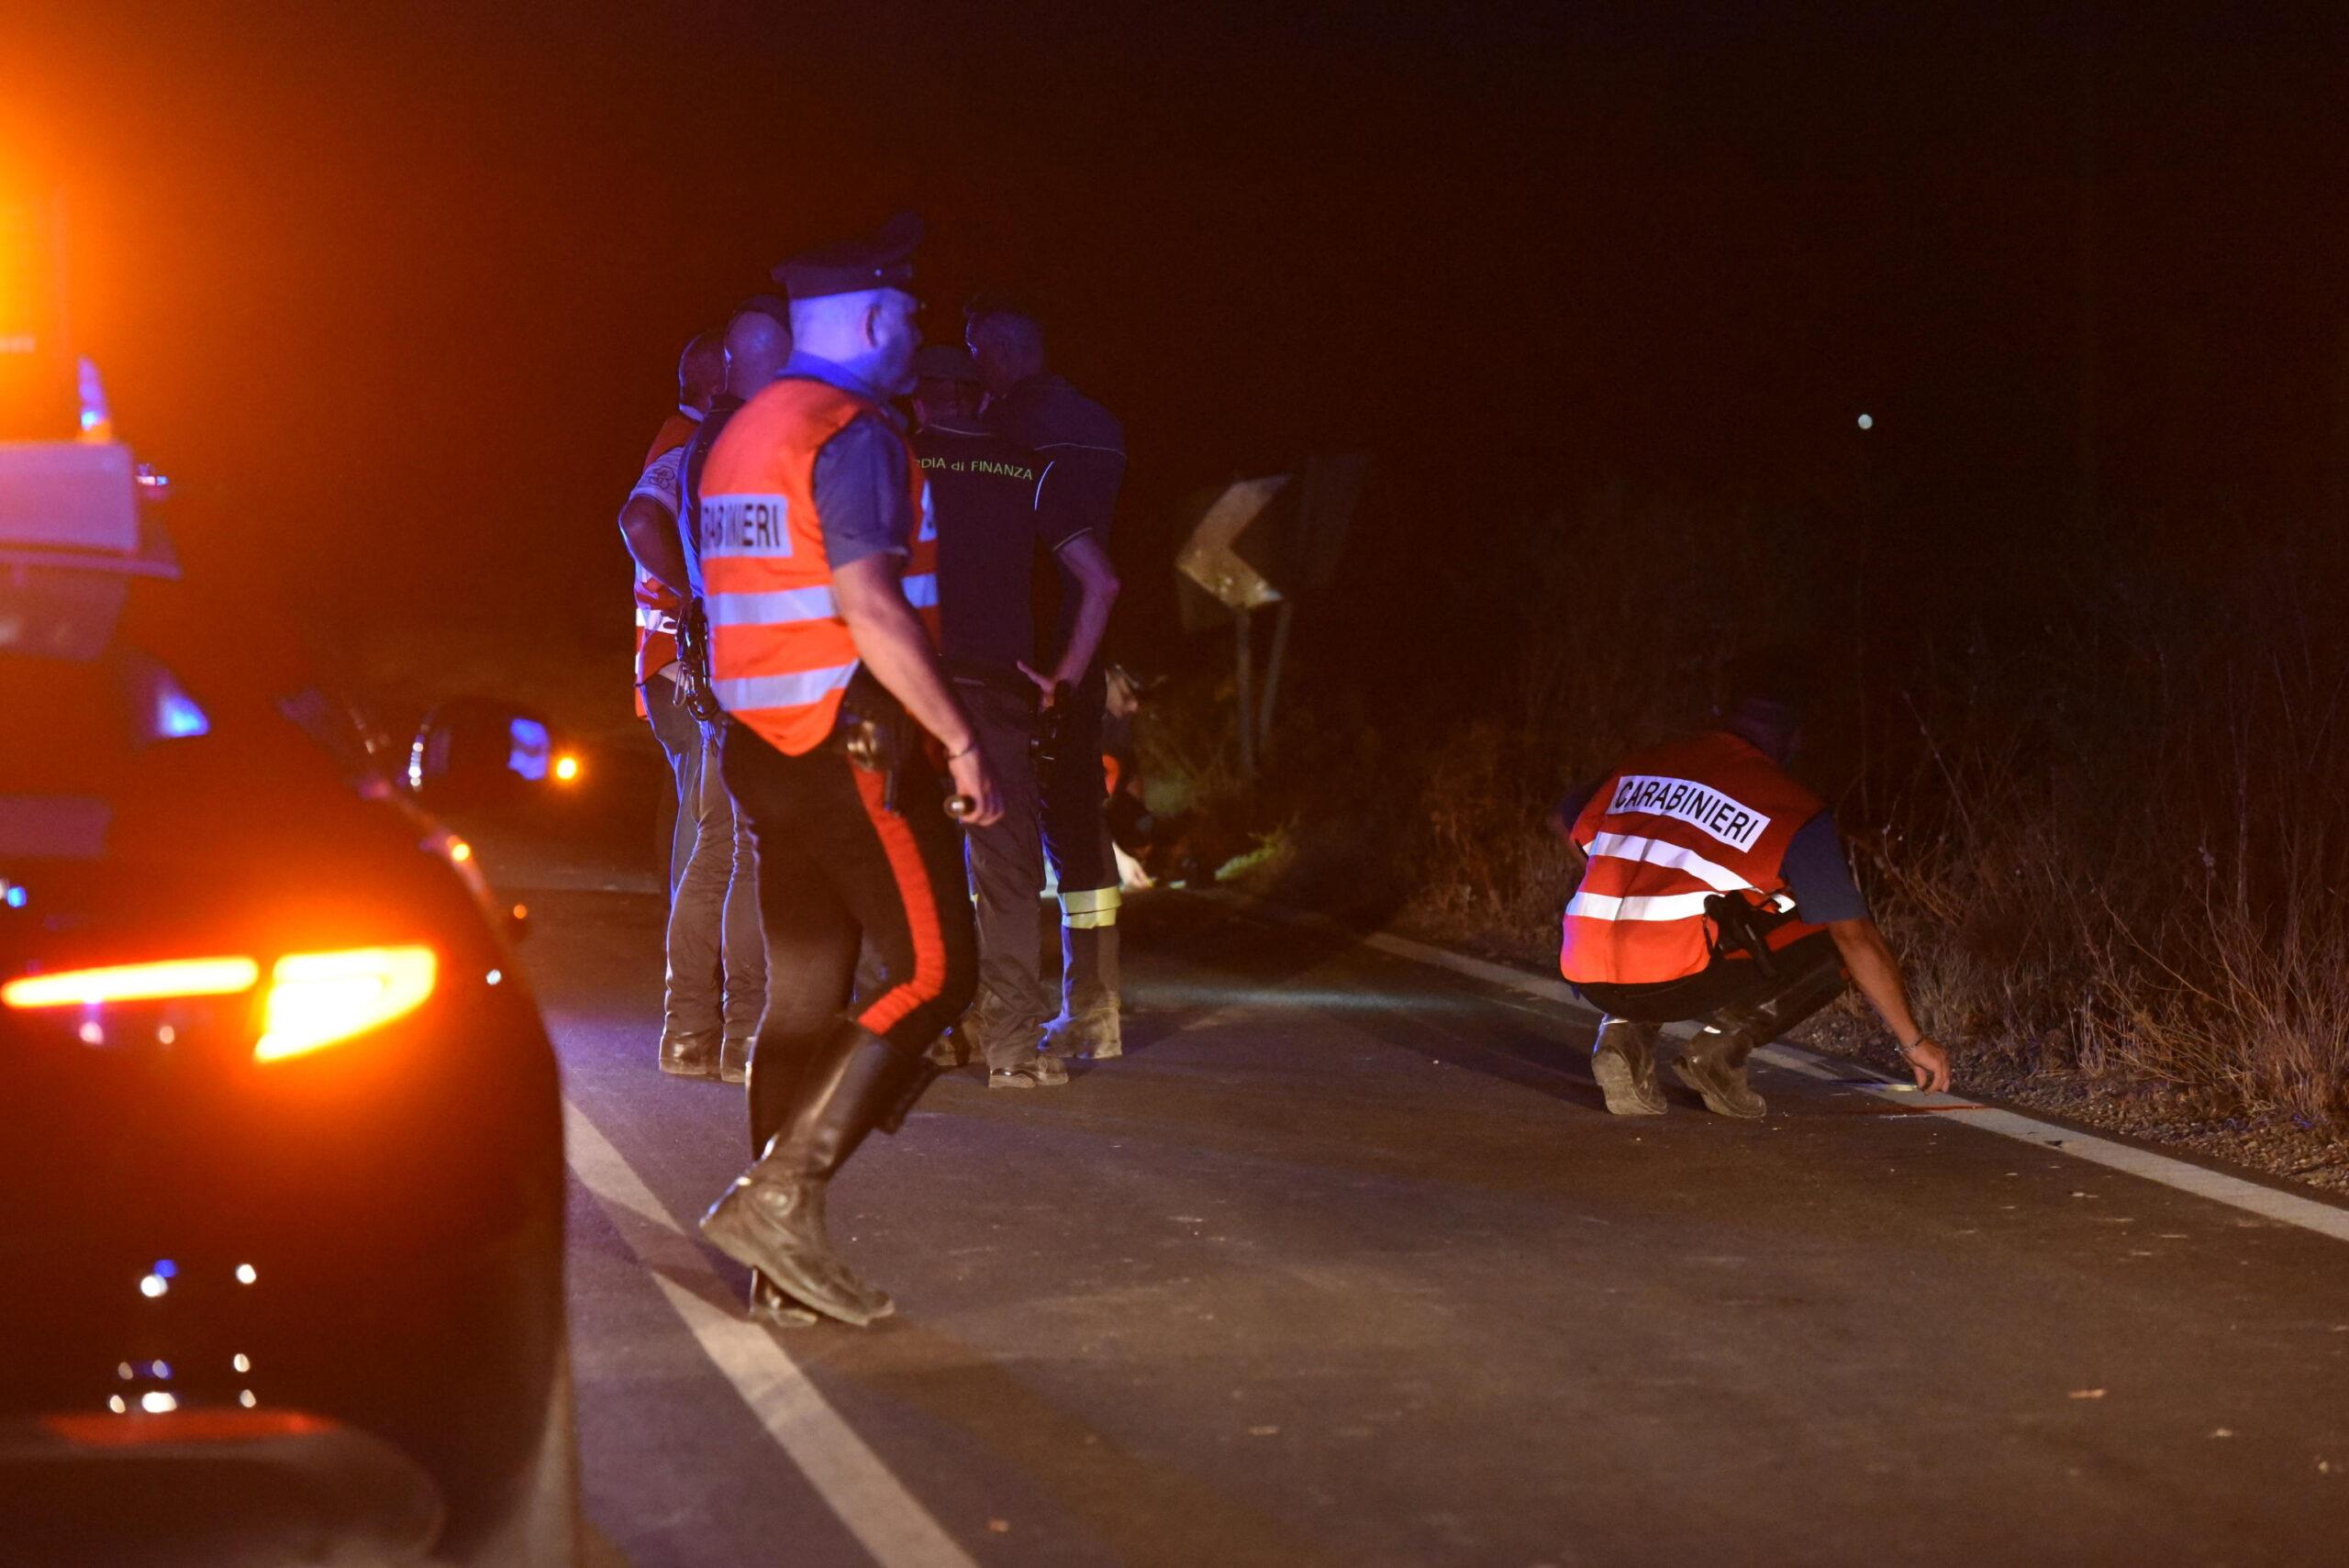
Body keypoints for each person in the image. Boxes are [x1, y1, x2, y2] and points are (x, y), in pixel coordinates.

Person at [694, 215, 1002, 1328]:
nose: (917, 332)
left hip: (761, 746)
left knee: (805, 998)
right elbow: (871, 604)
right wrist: (960, 739)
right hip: (850, 742)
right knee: (935, 972)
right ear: (874, 321)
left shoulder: (738, 433)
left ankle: (780, 1267)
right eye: (910, 315)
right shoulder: (853, 430)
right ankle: (781, 1197)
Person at [1552, 655, 1954, 1118]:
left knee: (1679, 922)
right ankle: (1718, 1056)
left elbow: (1563, 816)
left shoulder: (1648, 762)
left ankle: (1622, 1034)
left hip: (1585, 970)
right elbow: (1854, 937)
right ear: (1795, 738)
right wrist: (1914, 1042)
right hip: (1668, 978)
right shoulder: (1787, 804)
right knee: (1829, 938)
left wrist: (1619, 881)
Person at [909, 343, 1120, 1088]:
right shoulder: (1028, 468)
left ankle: (930, 1033)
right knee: (1006, 869)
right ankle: (1011, 1050)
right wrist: (1061, 677)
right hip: (997, 692)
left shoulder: (899, 459)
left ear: (922, 399)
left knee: (917, 867)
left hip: (911, 689)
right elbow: (1102, 581)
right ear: (980, 398)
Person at [965, 298, 1130, 1061]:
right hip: (1083, 654)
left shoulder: (1006, 432)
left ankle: (990, 1007)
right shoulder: (1102, 424)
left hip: (1022, 657)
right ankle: (1093, 1007)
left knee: (998, 832)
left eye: (976, 354)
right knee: (1078, 823)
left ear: (1001, 353)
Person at [617, 327, 768, 1080]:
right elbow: (639, 519)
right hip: (693, 668)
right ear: (721, 383)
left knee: (708, 839)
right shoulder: (691, 439)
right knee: (724, 844)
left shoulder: (690, 438)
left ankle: (693, 1025)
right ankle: (716, 1021)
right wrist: (697, 598)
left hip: (684, 667)